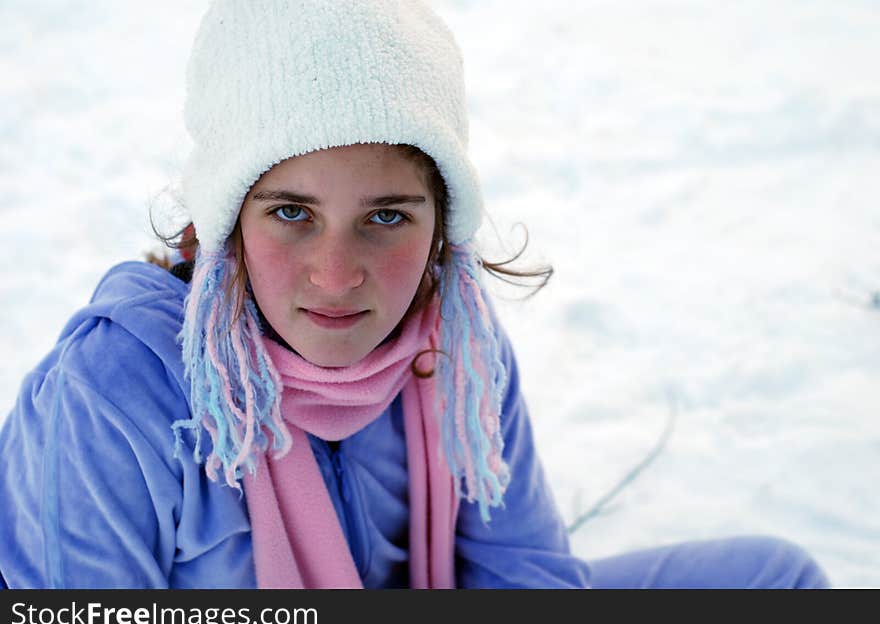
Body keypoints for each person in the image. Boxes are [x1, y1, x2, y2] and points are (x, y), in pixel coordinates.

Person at [0, 0, 829, 589]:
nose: (336, 274)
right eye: (291, 212)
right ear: (225, 216)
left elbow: (521, 572)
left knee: (775, 581)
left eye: (386, 216)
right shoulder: (114, 391)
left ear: (441, 227)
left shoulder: (454, 348)